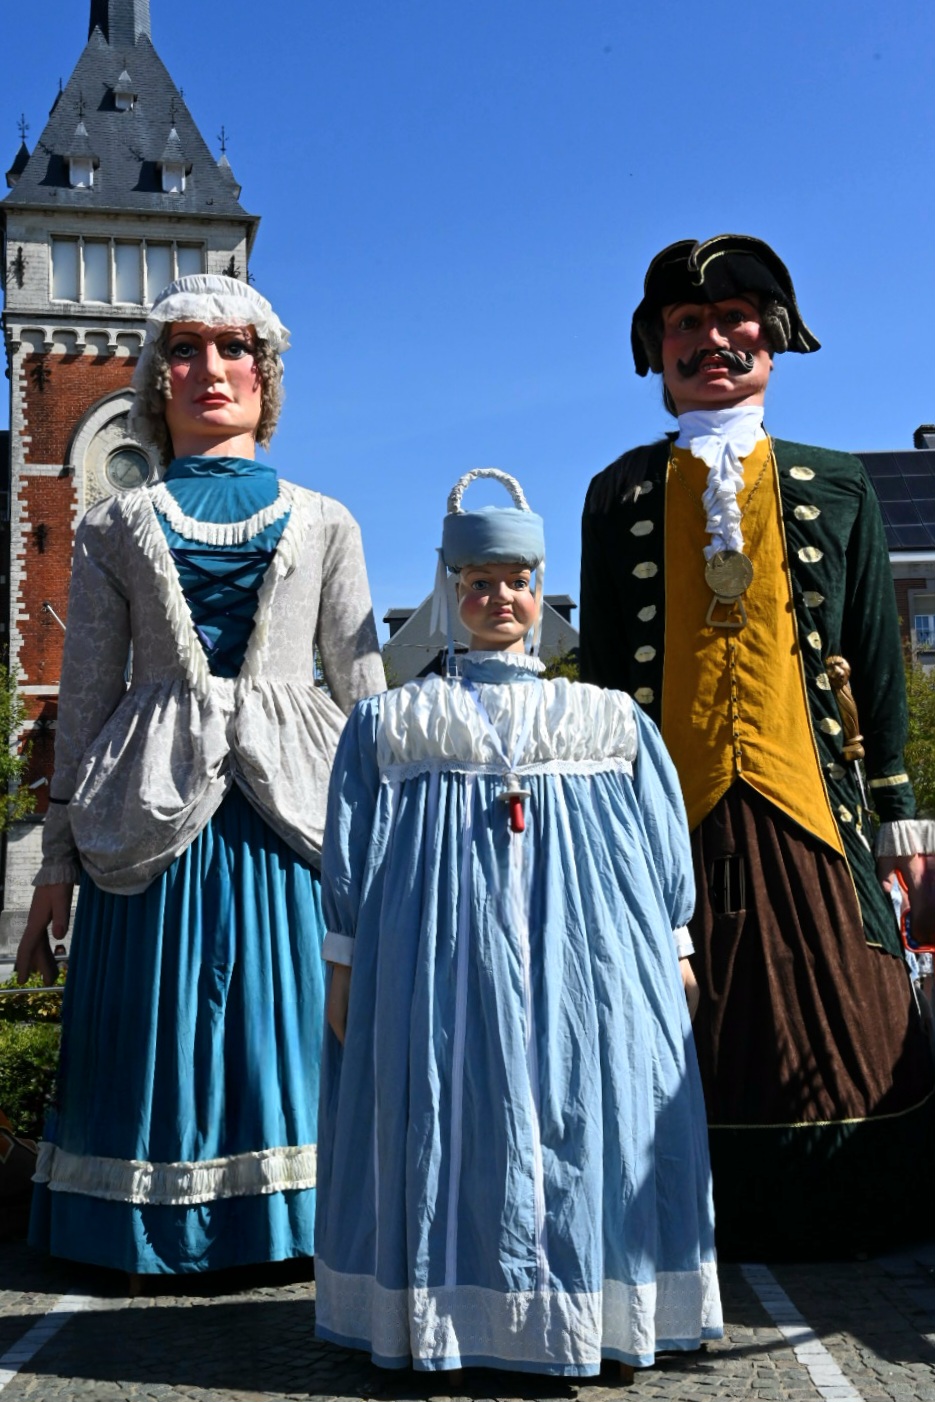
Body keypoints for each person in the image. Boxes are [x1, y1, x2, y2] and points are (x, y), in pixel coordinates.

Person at [14, 273, 385, 1276]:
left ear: (266, 378)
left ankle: (298, 1219)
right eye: (184, 348)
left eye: (232, 350)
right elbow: (84, 700)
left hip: (291, 821)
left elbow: (364, 700)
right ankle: (144, 1227)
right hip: (148, 815)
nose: (209, 369)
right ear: (155, 376)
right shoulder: (107, 526)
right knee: (153, 1027)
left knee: (288, 1018)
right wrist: (56, 862)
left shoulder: (326, 520)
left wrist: (393, 846)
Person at [314, 469, 722, 1377]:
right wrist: (344, 961)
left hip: (587, 960)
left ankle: (587, 1311)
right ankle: (459, 1317)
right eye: (478, 583)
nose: (498, 598)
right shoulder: (394, 724)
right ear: (450, 592)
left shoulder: (604, 719)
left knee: (584, 1112)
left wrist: (674, 947)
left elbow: (657, 842)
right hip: (436, 953)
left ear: (540, 590)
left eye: (515, 581)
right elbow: (349, 849)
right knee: (452, 1110)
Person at [580, 234, 935, 1258]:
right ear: (654, 351)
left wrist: (898, 810)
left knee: (856, 1002)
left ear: (773, 339)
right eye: (686, 325)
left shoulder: (835, 484)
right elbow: (605, 670)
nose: (712, 341)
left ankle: (856, 1203)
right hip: (671, 811)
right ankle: (685, 1211)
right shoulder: (618, 493)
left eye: (735, 320)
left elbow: (873, 655)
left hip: (809, 802)